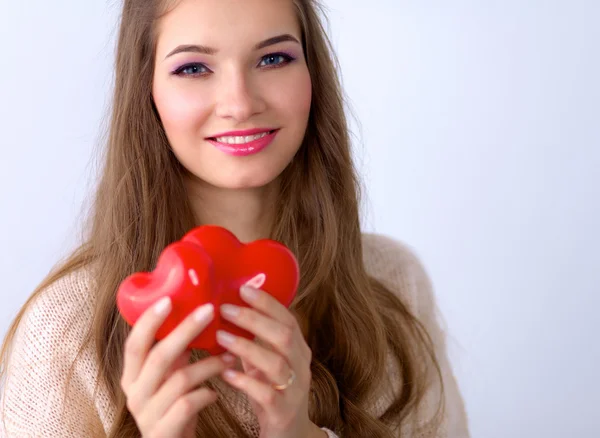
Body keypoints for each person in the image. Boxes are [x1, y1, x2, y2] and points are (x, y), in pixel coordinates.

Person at [0, 0, 469, 436]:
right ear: (148, 90)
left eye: (273, 59)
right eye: (193, 68)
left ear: (312, 72)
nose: (240, 103)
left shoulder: (392, 282)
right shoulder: (65, 331)